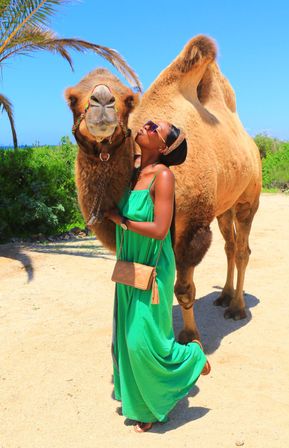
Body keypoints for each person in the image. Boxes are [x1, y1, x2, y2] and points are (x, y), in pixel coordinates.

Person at [105, 120, 210, 433]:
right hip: (129, 264)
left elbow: (160, 229)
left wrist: (120, 220)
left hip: (153, 267)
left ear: (163, 148)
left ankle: (192, 359)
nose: (146, 125)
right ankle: (141, 402)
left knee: (144, 342)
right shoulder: (133, 171)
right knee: (125, 339)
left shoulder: (163, 176)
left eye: (155, 129)